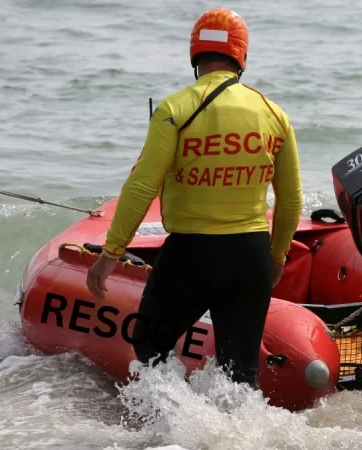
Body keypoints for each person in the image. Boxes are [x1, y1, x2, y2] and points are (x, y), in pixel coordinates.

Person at [85, 8, 304, 390]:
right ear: (242, 56)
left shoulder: (175, 109)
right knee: (241, 374)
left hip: (191, 254)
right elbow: (291, 201)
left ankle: (175, 419)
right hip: (250, 255)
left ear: (195, 54)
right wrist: (277, 257)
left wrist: (111, 253)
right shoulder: (274, 114)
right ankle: (240, 427)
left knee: (150, 346)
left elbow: (142, 187)